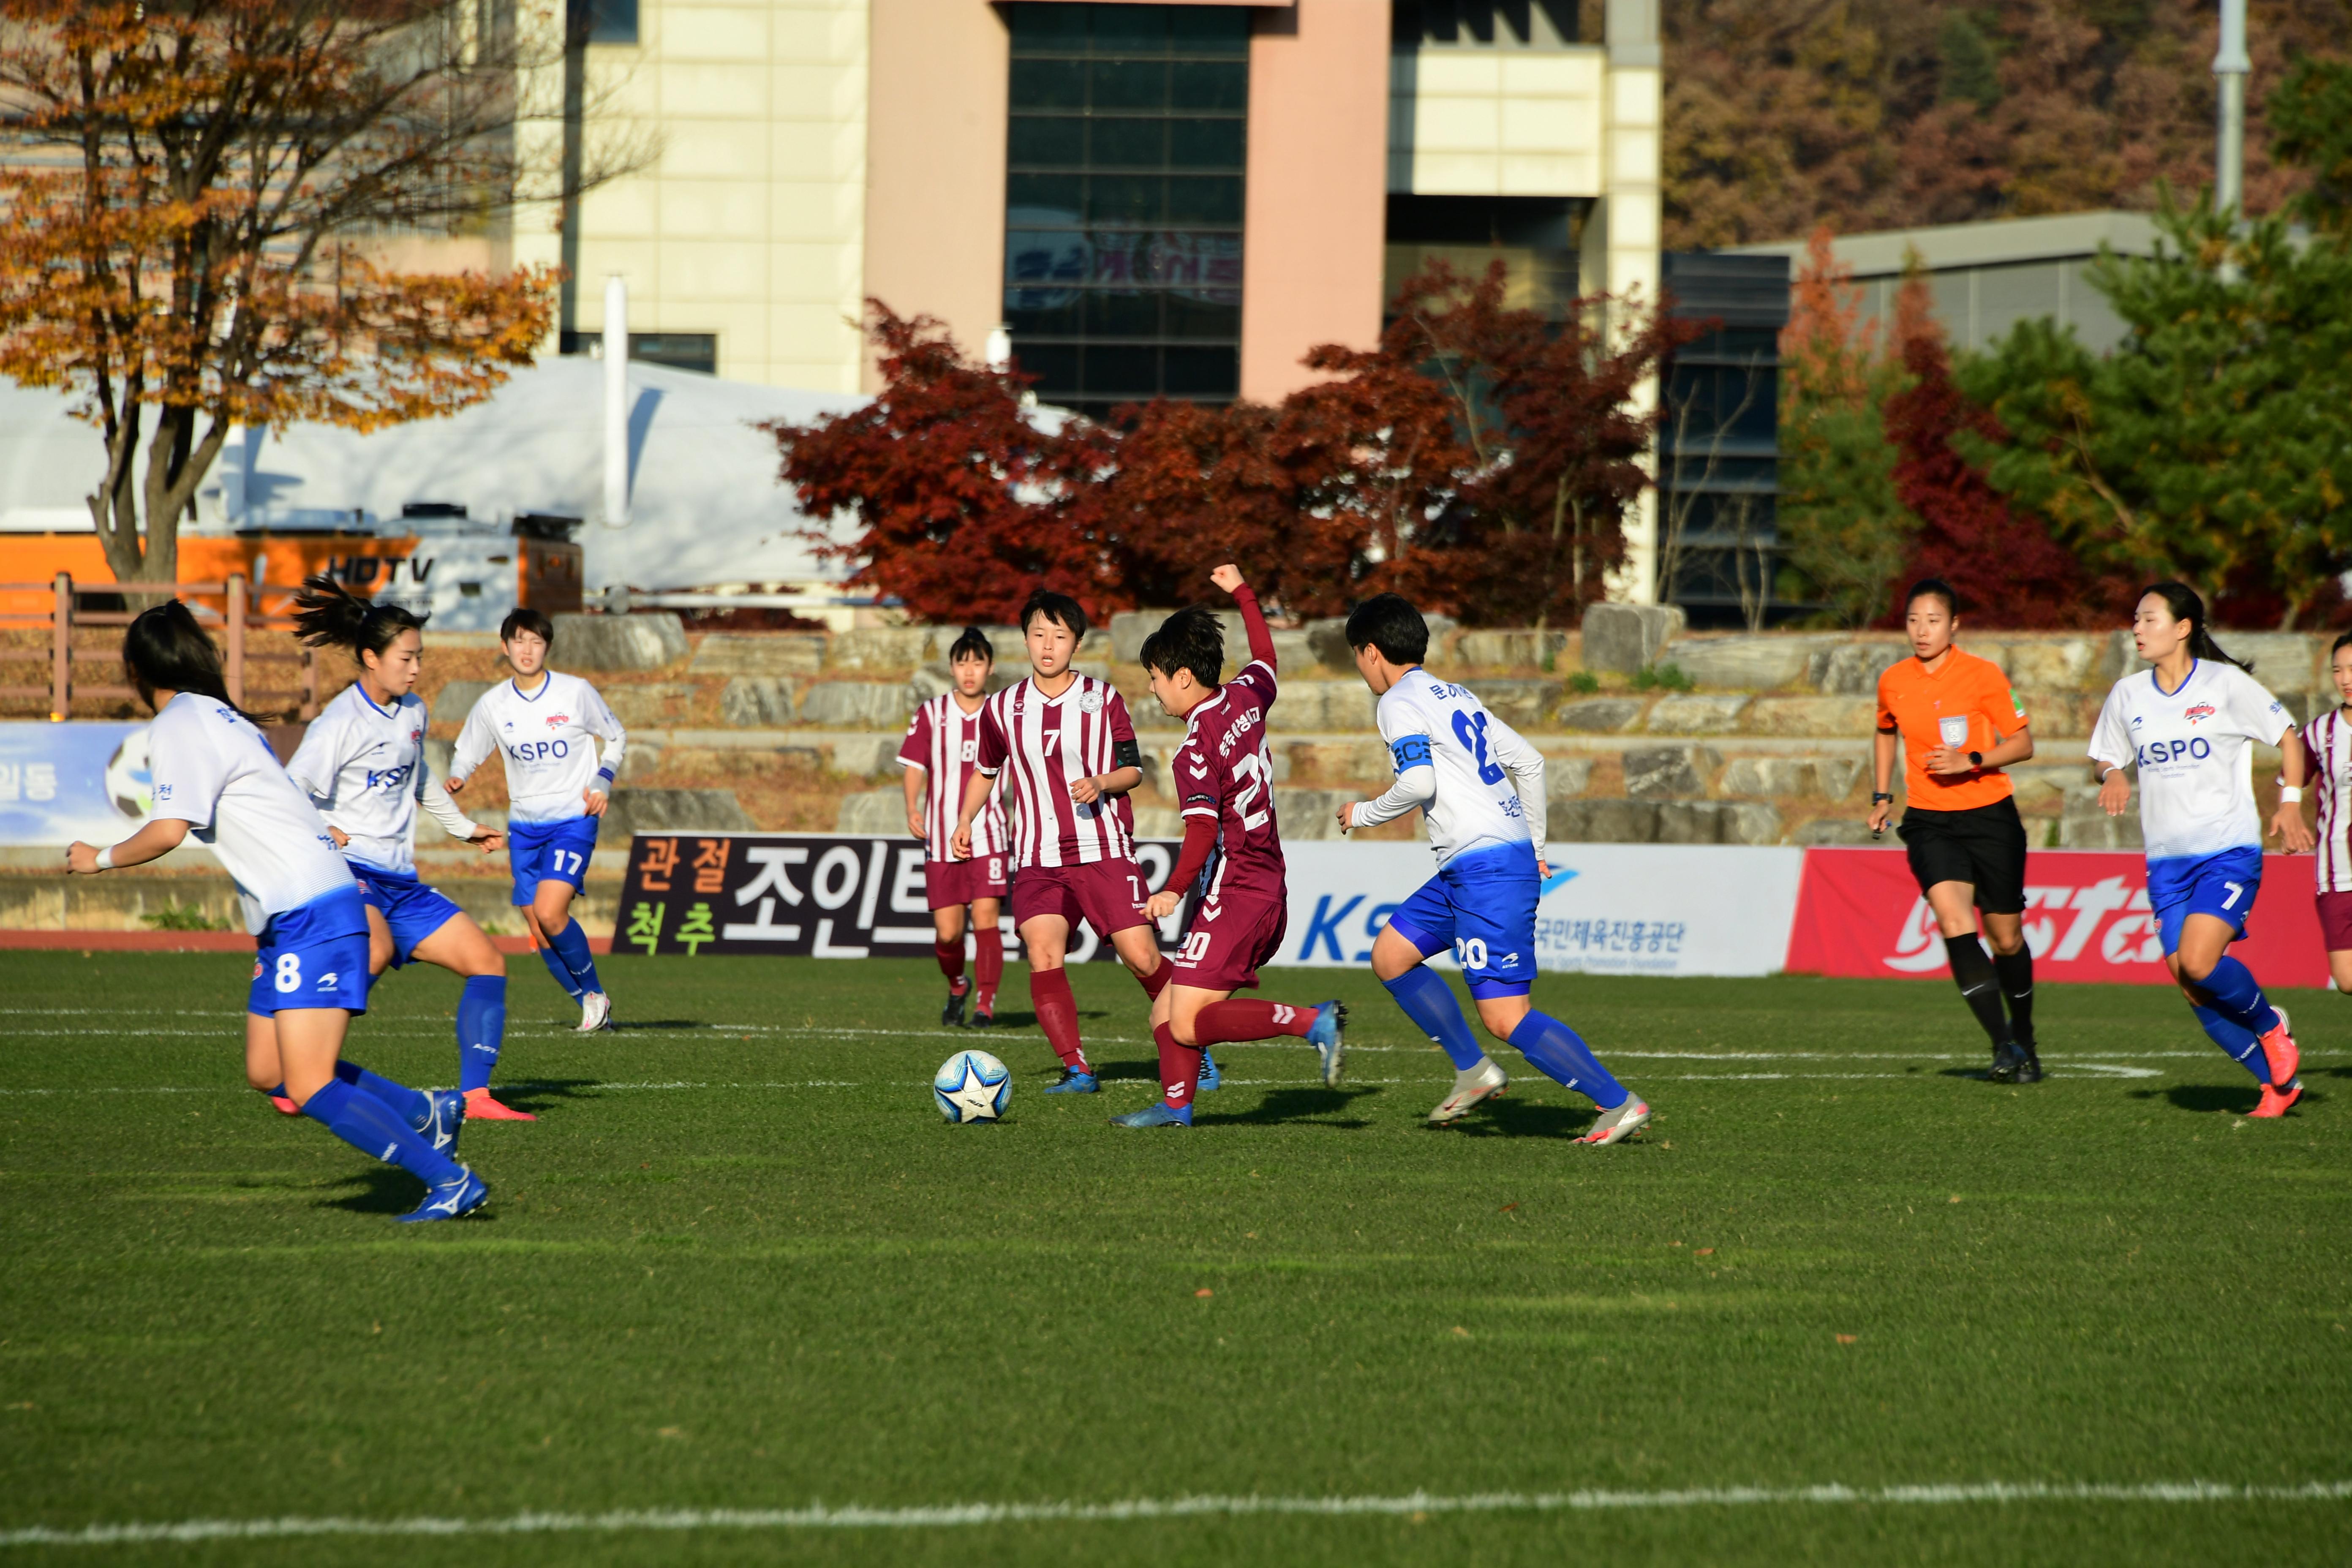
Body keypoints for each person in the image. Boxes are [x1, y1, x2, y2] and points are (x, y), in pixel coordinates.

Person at [65, 601, 486, 1222]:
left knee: (311, 1082)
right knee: (269, 1070)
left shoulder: (181, 723)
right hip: (291, 918)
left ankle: (449, 1180)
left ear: (136, 669)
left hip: (312, 910)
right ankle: (426, 1109)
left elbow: (168, 830)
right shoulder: (219, 716)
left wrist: (95, 858)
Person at [1337, 593, 1650, 1144]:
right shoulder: (1452, 694)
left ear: (1371, 652)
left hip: (1486, 870)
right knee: (1391, 955)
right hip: (1475, 865)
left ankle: (1617, 1103)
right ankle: (1474, 1072)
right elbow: (1530, 760)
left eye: (1356, 657)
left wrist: (1361, 813)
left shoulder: (1396, 702)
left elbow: (1418, 784)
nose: (1361, 669)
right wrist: (1534, 844)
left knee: (1505, 1017)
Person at [286, 576, 534, 1121]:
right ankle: (297, 1072)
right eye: (406, 658)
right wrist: (321, 830)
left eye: (420, 656)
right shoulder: (340, 723)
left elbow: (418, 780)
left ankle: (476, 1097)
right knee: (371, 951)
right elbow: (290, 791)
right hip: (352, 872)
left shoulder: (413, 712)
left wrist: (464, 829)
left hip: (402, 882)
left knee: (488, 962)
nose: (416, 668)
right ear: (371, 658)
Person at [1113, 565, 1345, 1129]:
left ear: (1184, 678)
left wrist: (1171, 891)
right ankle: (1176, 1108)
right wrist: (1243, 593)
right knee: (1166, 1014)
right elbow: (1266, 655)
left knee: (1189, 1022)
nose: (1151, 687)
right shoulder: (1245, 697)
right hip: (1266, 883)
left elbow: (1198, 831)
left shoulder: (1195, 749)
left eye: (1155, 677)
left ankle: (1313, 1021)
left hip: (1238, 890)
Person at [949, 590, 1203, 1094]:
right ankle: (1077, 1068)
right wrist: (965, 819)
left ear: (1077, 643)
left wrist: (1102, 783)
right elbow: (986, 769)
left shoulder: (1102, 698)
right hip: (1038, 857)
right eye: (1039, 634)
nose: (1048, 645)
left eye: (1060, 636)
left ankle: (1195, 1041)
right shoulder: (1001, 708)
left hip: (1102, 849)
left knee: (1143, 958)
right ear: (1024, 639)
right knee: (1044, 952)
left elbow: (1134, 769)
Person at [2090, 581, 2313, 1117]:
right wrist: (2113, 773)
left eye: (2148, 619)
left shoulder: (2225, 684)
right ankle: (2276, 1088)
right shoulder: (2128, 695)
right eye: (2136, 620)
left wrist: (2289, 804)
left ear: (2183, 627)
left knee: (2198, 960)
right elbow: (2104, 754)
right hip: (2166, 862)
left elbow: (2288, 737)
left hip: (2226, 850)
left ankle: (2270, 1026)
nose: (2137, 629)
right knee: (2191, 987)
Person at [1866, 578, 2042, 1083]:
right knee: (1952, 920)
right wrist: (1882, 797)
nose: (1922, 631)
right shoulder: (1893, 680)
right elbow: (1884, 731)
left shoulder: (1983, 675)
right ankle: (2003, 1046)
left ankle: (2025, 1033)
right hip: (1928, 821)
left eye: (1933, 620)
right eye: (1913, 620)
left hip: (1991, 816)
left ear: (1954, 625)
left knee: (2006, 938)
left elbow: (2024, 742)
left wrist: (1972, 760)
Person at [447, 607, 626, 1032]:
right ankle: (590, 1003)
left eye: (536, 641)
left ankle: (595, 993)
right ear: (505, 646)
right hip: (524, 827)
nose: (527, 650)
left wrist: (602, 780)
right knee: (538, 928)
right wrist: (458, 775)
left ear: (547, 647)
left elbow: (616, 735)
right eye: (519, 641)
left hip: (572, 819)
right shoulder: (494, 703)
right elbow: (469, 749)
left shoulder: (575, 692)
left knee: (549, 911)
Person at [900, 627, 1011, 1027]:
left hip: (990, 832)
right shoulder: (932, 713)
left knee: (985, 919)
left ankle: (985, 1003)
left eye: (977, 663)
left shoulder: (1002, 712)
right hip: (940, 834)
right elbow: (915, 765)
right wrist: (912, 807)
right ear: (951, 667)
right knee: (948, 934)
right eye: (962, 663)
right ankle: (958, 984)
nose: (970, 671)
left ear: (990, 667)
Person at [2302, 632, 2352, 996]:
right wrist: (2288, 815)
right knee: (2347, 980)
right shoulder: (2321, 732)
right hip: (2336, 874)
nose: (2345, 679)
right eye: (2338, 670)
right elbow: (2290, 779)